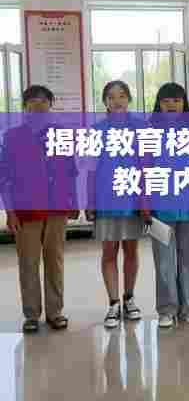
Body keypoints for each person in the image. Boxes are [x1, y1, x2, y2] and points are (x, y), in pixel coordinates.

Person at [0, 85, 79, 333]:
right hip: (26, 210)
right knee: (28, 262)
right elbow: (5, 177)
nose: (38, 105)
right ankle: (31, 314)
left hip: (57, 208)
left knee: (55, 260)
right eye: (33, 101)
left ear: (50, 105)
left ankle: (55, 312)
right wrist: (10, 211)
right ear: (25, 106)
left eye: (44, 101)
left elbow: (70, 170)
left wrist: (74, 200)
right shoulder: (12, 137)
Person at [86, 80, 150, 329]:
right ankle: (113, 303)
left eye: (122, 95)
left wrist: (147, 199)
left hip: (134, 200)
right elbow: (91, 171)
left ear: (129, 99)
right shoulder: (96, 131)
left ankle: (129, 298)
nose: (117, 101)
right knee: (109, 252)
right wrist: (90, 201)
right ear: (105, 102)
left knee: (131, 251)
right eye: (111, 97)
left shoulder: (141, 127)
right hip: (106, 200)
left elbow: (147, 167)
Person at [150, 82, 189, 328]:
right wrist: (145, 205)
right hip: (159, 209)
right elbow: (143, 170)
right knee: (163, 261)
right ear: (159, 104)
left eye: (177, 100)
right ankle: (166, 309)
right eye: (166, 100)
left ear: (184, 104)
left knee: (188, 258)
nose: (171, 105)